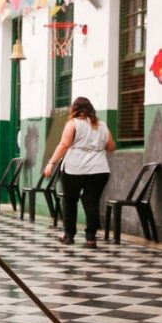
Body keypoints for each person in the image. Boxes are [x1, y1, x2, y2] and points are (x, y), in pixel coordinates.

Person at [44, 97, 115, 249]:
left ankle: (69, 236)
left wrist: (51, 163)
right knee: (92, 203)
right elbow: (111, 147)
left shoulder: (73, 124)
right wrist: (95, 145)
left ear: (74, 109)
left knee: (70, 201)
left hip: (75, 169)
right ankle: (91, 238)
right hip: (99, 169)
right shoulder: (102, 125)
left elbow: (64, 145)